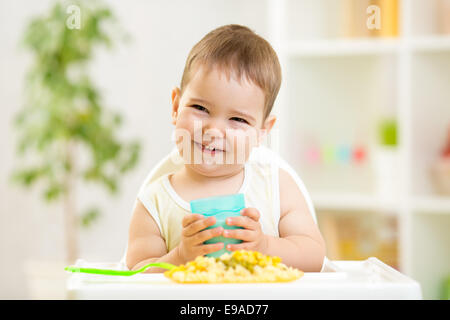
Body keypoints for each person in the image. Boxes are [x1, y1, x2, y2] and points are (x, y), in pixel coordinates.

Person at [126, 24, 326, 273]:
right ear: (176, 106)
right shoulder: (153, 203)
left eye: (238, 120)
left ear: (262, 131)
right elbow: (135, 274)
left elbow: (314, 256)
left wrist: (264, 246)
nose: (213, 131)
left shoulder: (277, 187)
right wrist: (179, 257)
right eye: (200, 108)